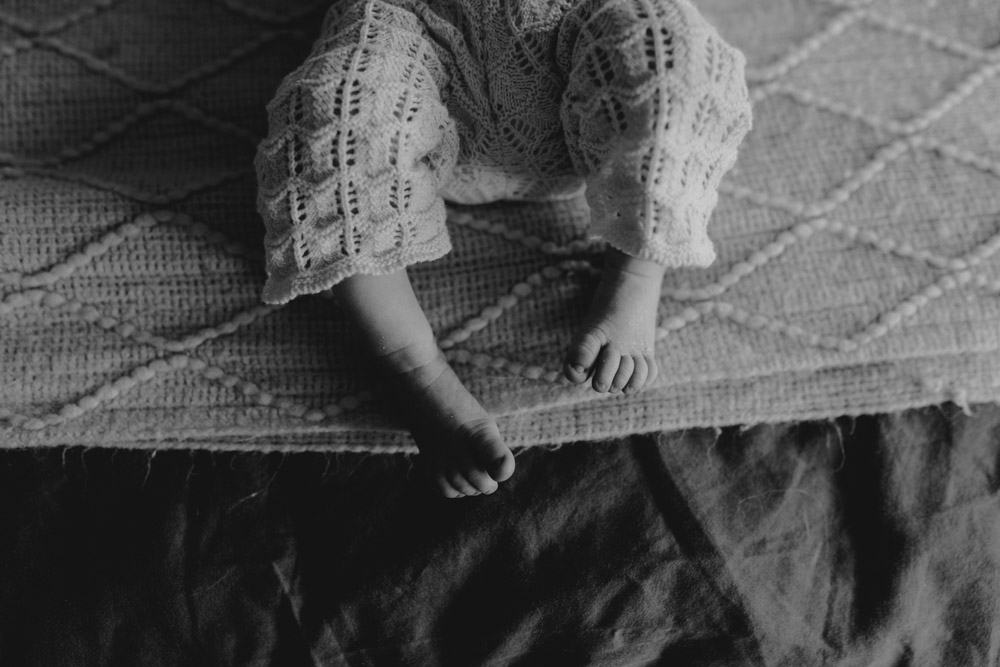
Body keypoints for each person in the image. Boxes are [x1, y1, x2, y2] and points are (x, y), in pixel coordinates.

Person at [254, 0, 752, 498]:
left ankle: (637, 272)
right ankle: (412, 365)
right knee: (333, 111)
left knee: (672, 59)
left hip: (581, 36)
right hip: (421, 30)